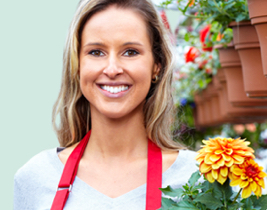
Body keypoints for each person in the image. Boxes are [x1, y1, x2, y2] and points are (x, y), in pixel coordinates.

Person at [13, 0, 198, 209]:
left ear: (157, 66)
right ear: (77, 66)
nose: (112, 69)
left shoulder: (198, 178)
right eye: (96, 52)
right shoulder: (35, 178)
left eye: (130, 52)